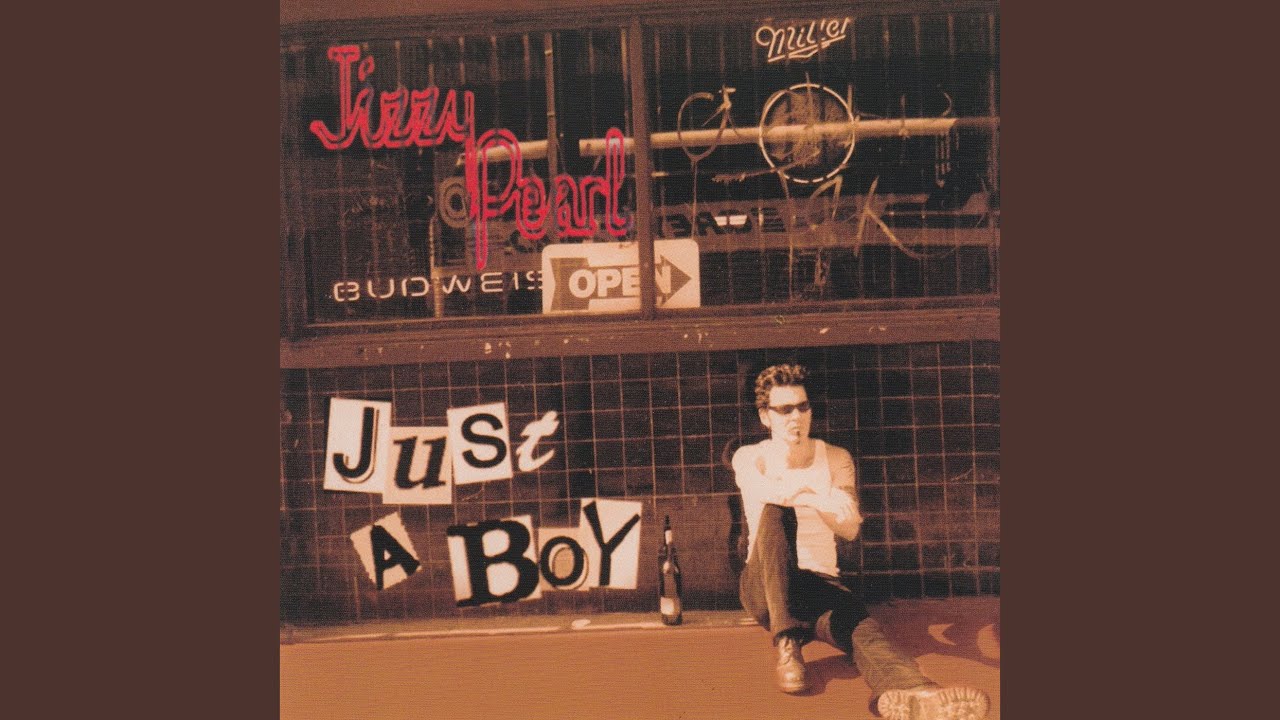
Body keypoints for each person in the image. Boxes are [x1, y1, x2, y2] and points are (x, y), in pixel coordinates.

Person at [733, 363, 989, 720]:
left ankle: (916, 693)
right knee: (776, 512)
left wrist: (818, 500)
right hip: (764, 585)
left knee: (864, 633)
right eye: (784, 409)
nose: (796, 418)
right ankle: (788, 646)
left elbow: (849, 527)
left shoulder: (836, 458)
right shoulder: (750, 457)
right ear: (765, 416)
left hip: (819, 585)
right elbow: (766, 492)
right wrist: (820, 497)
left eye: (803, 407)